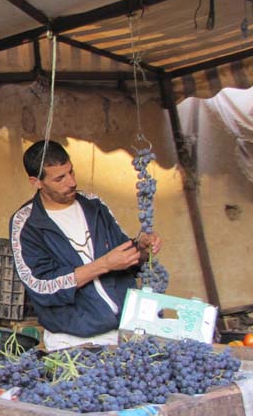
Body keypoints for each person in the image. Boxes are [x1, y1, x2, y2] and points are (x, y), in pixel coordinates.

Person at [10, 139, 162, 350]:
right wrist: (104, 265)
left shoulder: (93, 204)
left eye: (71, 172)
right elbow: (41, 286)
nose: (71, 182)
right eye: (60, 178)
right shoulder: (27, 224)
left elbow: (125, 254)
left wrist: (141, 249)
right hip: (74, 340)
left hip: (124, 332)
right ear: (36, 182)